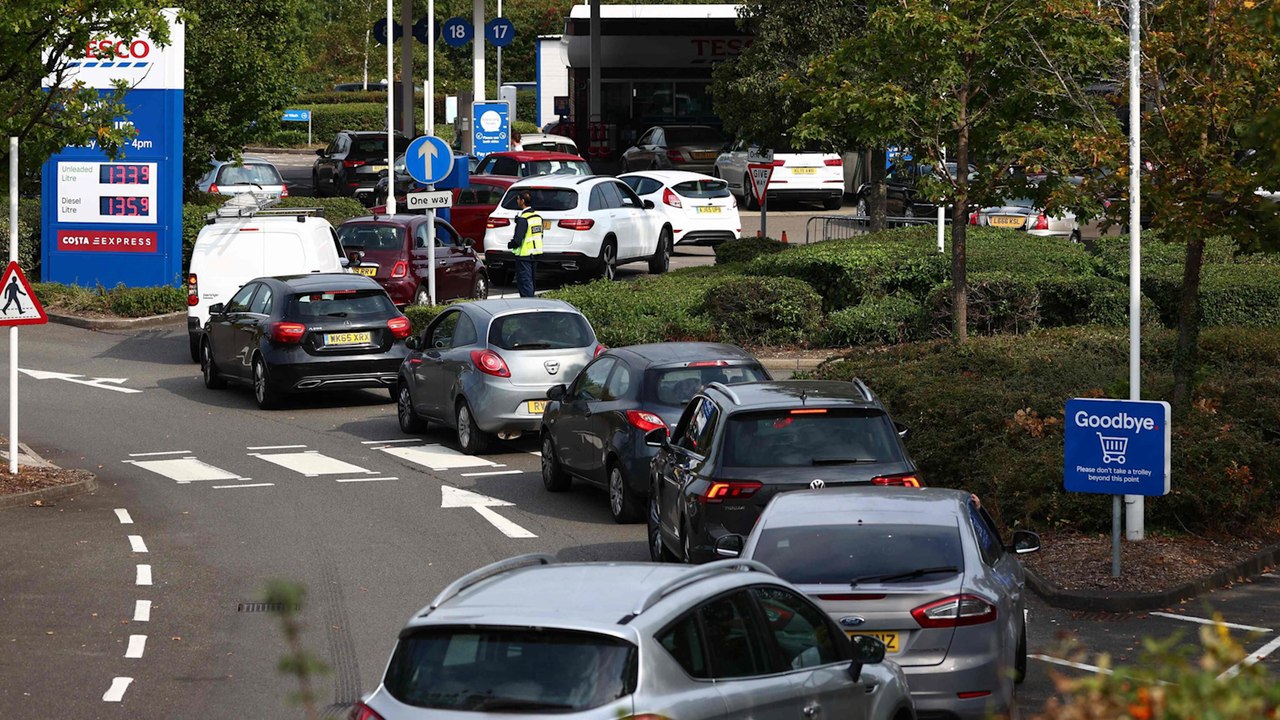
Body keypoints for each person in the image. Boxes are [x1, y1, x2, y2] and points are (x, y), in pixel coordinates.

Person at [508, 191, 543, 297]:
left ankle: (528, 303)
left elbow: (518, 240)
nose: (517, 201)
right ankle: (531, 301)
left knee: (525, 282)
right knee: (531, 280)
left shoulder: (524, 219)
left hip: (524, 255)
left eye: (518, 199)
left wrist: (510, 244)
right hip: (535, 253)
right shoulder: (537, 217)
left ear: (522, 201)